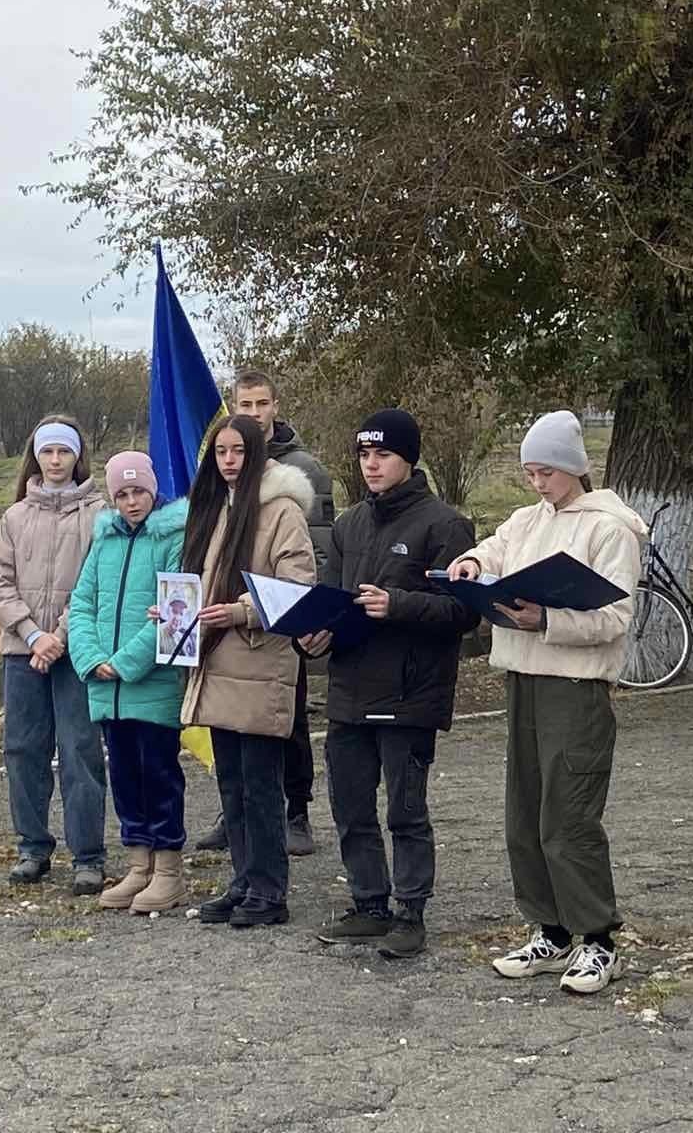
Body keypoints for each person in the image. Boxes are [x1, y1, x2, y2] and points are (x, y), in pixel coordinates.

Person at [447, 413, 645, 996]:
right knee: (525, 814)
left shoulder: (610, 529)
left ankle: (598, 940)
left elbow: (615, 618)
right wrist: (473, 565)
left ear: (573, 468)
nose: (537, 482)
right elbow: (492, 549)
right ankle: (551, 929)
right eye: (530, 471)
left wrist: (548, 618)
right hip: (524, 679)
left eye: (547, 471)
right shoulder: (525, 520)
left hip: (575, 686)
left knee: (568, 816)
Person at [305, 410, 477, 959]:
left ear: (409, 458)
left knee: (405, 811)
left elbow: (463, 613)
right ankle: (369, 905)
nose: (372, 464)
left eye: (382, 454)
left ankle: (410, 913)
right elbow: (328, 600)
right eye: (364, 455)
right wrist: (312, 637)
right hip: (349, 690)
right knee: (350, 808)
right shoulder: (349, 524)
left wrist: (396, 604)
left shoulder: (445, 525)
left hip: (409, 695)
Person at [181, 415, 315, 927]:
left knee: (261, 787)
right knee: (232, 784)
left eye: (238, 451)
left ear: (256, 455)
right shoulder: (214, 511)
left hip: (258, 665)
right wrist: (176, 611)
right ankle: (242, 882)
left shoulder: (281, 513)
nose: (230, 461)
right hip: (217, 663)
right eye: (221, 452)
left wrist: (239, 612)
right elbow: (200, 581)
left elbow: (296, 590)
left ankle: (269, 890)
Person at [196, 368, 333, 857]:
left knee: (285, 723)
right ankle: (238, 831)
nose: (253, 414)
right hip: (222, 639)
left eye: (261, 404)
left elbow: (315, 555)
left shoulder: (301, 477)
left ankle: (295, 810)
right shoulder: (218, 481)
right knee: (234, 744)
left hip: (279, 626)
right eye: (244, 405)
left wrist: (312, 615)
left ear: (275, 406)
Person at [0, 417, 108, 894]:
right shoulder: (15, 517)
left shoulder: (101, 515)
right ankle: (32, 847)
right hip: (24, 653)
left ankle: (88, 855)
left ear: (78, 456)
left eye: (64, 452)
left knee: (80, 751)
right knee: (23, 750)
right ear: (35, 456)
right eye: (47, 452)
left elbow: (96, 584)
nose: (55, 461)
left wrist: (59, 635)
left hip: (77, 651)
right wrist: (34, 634)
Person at [68, 451, 191, 914]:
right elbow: (81, 603)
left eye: (138, 491)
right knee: (122, 775)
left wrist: (125, 662)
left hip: (149, 682)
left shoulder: (174, 537)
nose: (131, 501)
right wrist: (91, 657)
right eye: (122, 494)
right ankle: (138, 864)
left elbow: (177, 606)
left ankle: (168, 870)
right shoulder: (104, 542)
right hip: (106, 686)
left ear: (153, 490)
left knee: (158, 775)